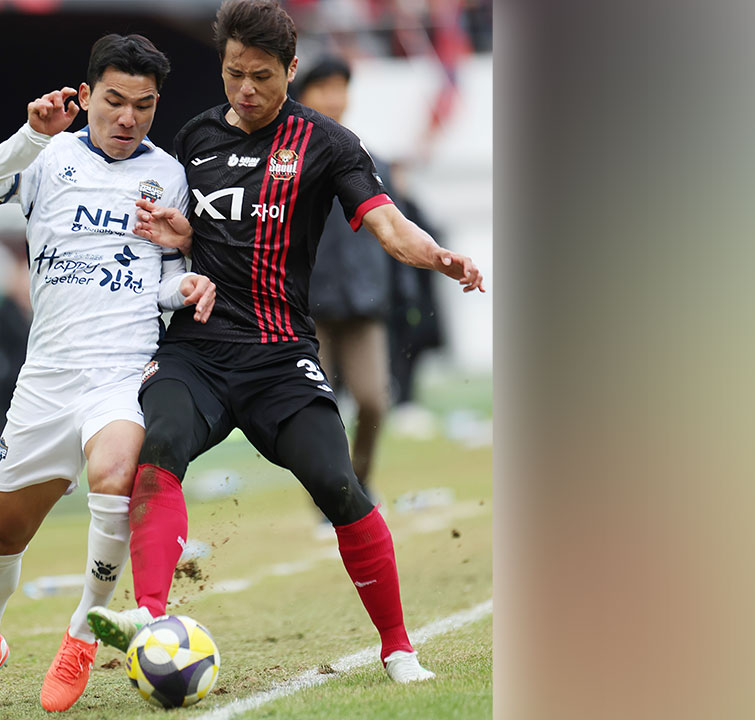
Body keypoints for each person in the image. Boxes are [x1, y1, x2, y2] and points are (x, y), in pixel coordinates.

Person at [87, 0, 483, 685]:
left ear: (291, 69)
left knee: (340, 485)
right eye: (234, 73)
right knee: (159, 449)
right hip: (199, 352)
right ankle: (149, 618)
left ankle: (398, 649)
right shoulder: (195, 138)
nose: (245, 89)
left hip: (280, 355)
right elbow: (182, 236)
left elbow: (389, 227)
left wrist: (437, 257)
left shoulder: (327, 144)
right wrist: (183, 240)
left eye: (262, 76)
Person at [0, 34, 217, 712]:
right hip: (48, 377)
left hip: (121, 370)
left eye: (144, 106)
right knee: (2, 532)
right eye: (115, 101)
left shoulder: (169, 174)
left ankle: (82, 634)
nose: (128, 118)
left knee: (117, 475)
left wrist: (184, 287)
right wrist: (32, 135)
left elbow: (163, 276)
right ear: (86, 95)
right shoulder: (48, 156)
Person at [292, 55, 395, 497]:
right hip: (306, 308)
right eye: (324, 89)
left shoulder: (371, 160)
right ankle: (329, 495)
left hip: (362, 303)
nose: (334, 98)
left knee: (374, 400)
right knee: (317, 409)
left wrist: (400, 298)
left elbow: (393, 235)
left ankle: (359, 482)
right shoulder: (287, 161)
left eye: (341, 88)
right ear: (304, 95)